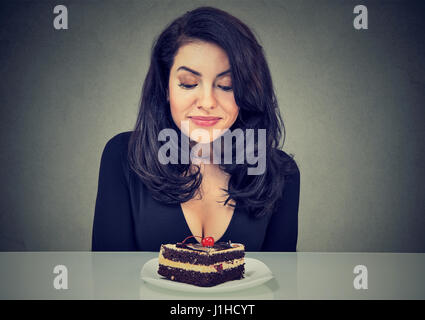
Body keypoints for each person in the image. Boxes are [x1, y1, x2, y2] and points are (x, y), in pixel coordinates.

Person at [92, 6, 300, 252]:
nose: (208, 102)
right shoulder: (122, 156)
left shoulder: (280, 173)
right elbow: (108, 278)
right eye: (188, 84)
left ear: (248, 93)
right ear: (166, 88)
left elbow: (281, 282)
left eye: (226, 85)